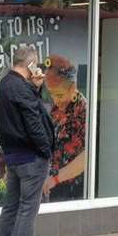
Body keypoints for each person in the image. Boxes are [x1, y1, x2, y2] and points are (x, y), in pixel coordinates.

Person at [0, 45, 54, 236]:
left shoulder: (4, 85)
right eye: (35, 64)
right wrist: (46, 150)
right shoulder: (21, 88)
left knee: (10, 208)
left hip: (13, 155)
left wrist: (35, 89)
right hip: (30, 156)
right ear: (30, 64)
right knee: (27, 209)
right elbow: (34, 122)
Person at [41, 55, 87, 201]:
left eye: (59, 94)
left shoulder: (84, 110)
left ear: (72, 89)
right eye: (52, 94)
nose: (55, 100)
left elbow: (87, 156)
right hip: (56, 185)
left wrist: (55, 179)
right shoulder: (56, 109)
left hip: (77, 188)